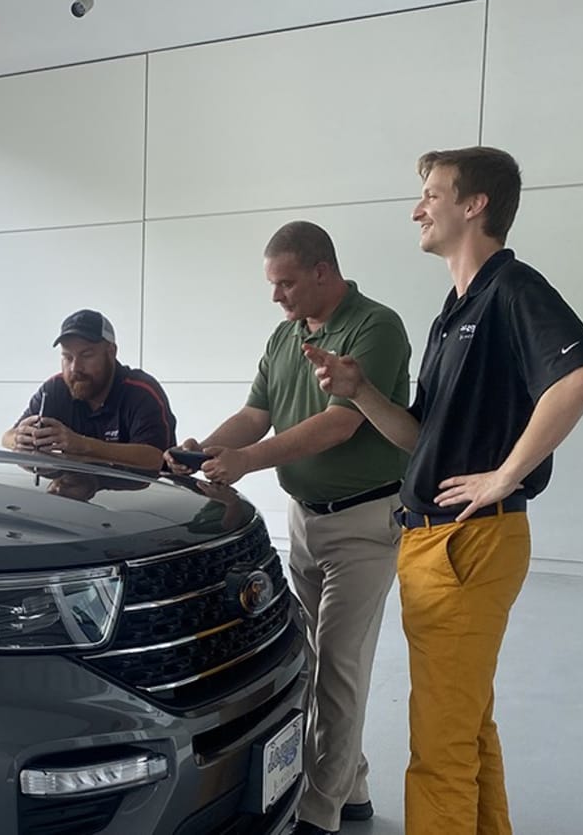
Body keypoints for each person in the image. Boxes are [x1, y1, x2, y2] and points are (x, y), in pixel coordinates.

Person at [309, 147, 583, 835]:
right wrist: (361, 393)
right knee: (467, 725)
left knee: (438, 746)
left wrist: (508, 473)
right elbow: (422, 437)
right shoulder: (456, 309)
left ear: (474, 205)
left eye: (431, 193)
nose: (418, 208)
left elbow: (582, 373)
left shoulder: (512, 289)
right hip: (440, 541)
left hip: (465, 543)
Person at [166, 221, 411, 835]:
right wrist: (205, 449)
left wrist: (248, 461)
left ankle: (319, 812)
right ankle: (349, 783)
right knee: (306, 658)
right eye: (272, 285)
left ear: (323, 271)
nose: (277, 296)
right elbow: (257, 413)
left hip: (364, 522)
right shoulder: (284, 337)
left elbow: (340, 424)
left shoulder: (376, 327)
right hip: (304, 521)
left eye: (286, 283)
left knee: (339, 665)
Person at [2, 309, 175, 472]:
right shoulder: (55, 388)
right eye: (67, 357)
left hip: (144, 500)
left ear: (111, 352)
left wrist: (81, 445)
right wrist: (21, 439)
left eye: (86, 355)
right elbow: (6, 437)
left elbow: (156, 458)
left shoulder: (141, 391)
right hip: (71, 498)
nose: (75, 367)